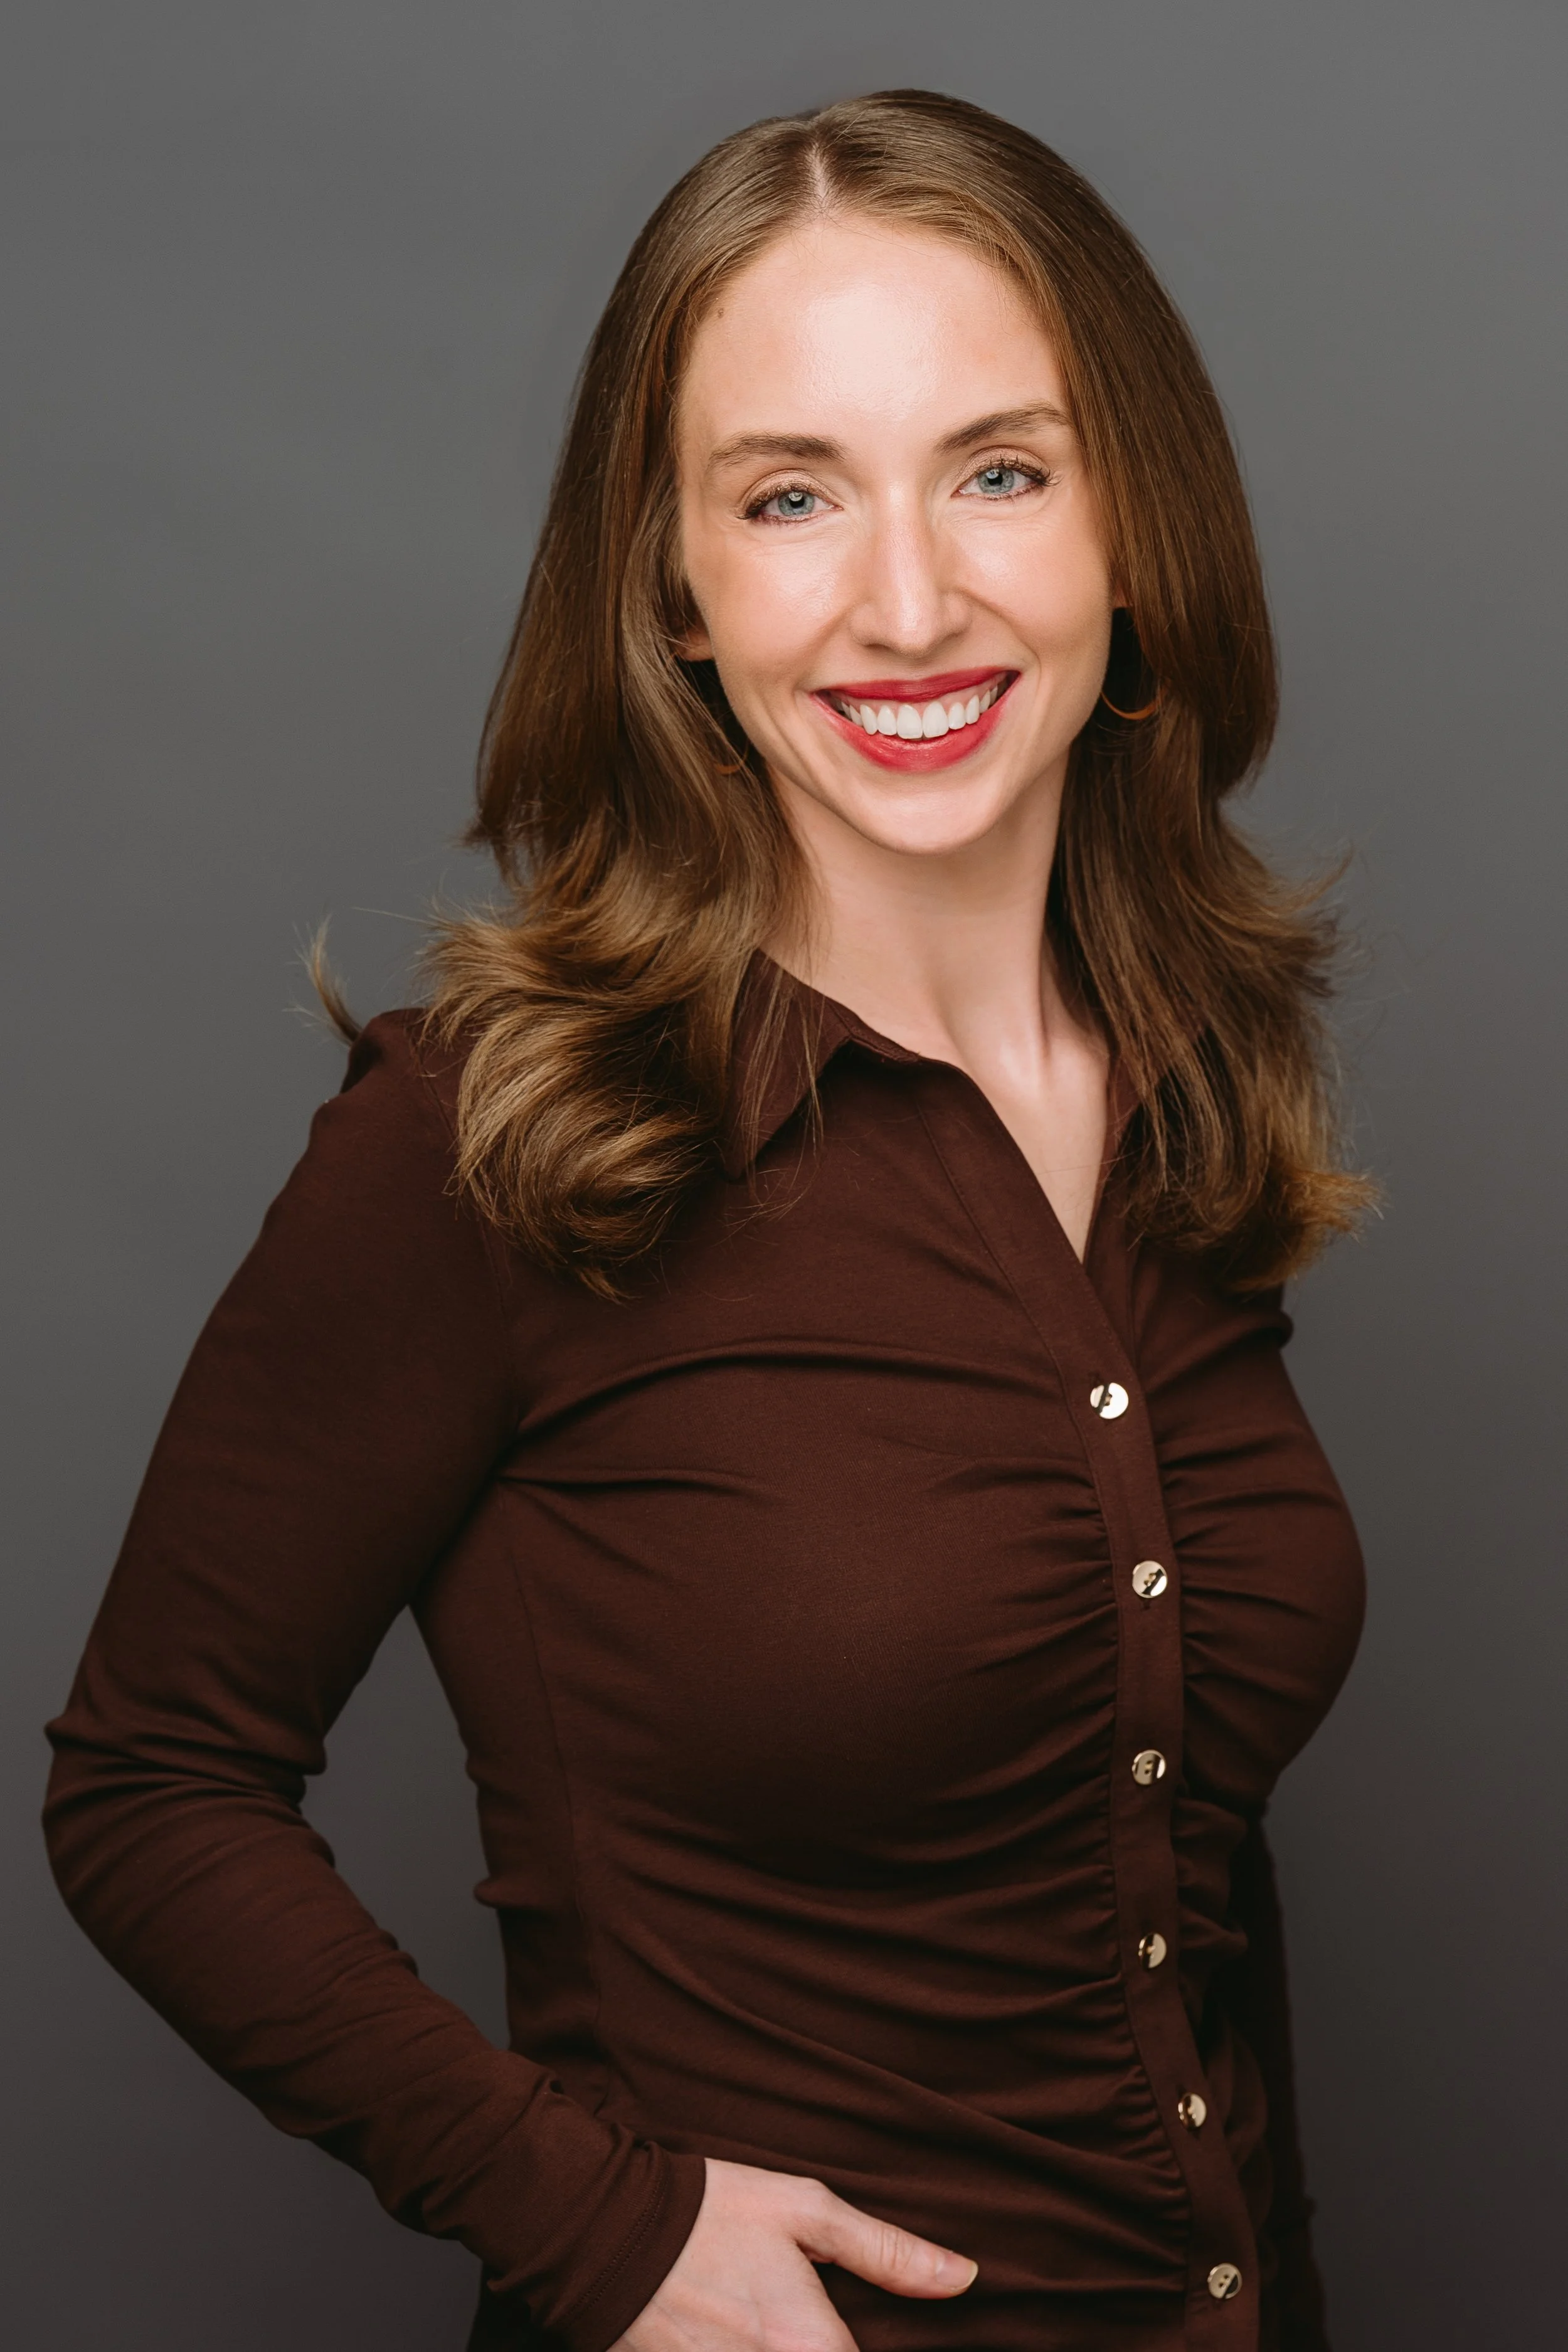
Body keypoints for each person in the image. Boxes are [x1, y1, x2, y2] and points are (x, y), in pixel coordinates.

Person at [43, 89, 1370, 2352]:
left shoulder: (1187, 1098)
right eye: (789, 497)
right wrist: (598, 2228)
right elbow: (151, 1786)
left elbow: (1176, 1899)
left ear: (1131, 520)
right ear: (669, 583)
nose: (911, 598)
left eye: (999, 469)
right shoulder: (484, 1138)